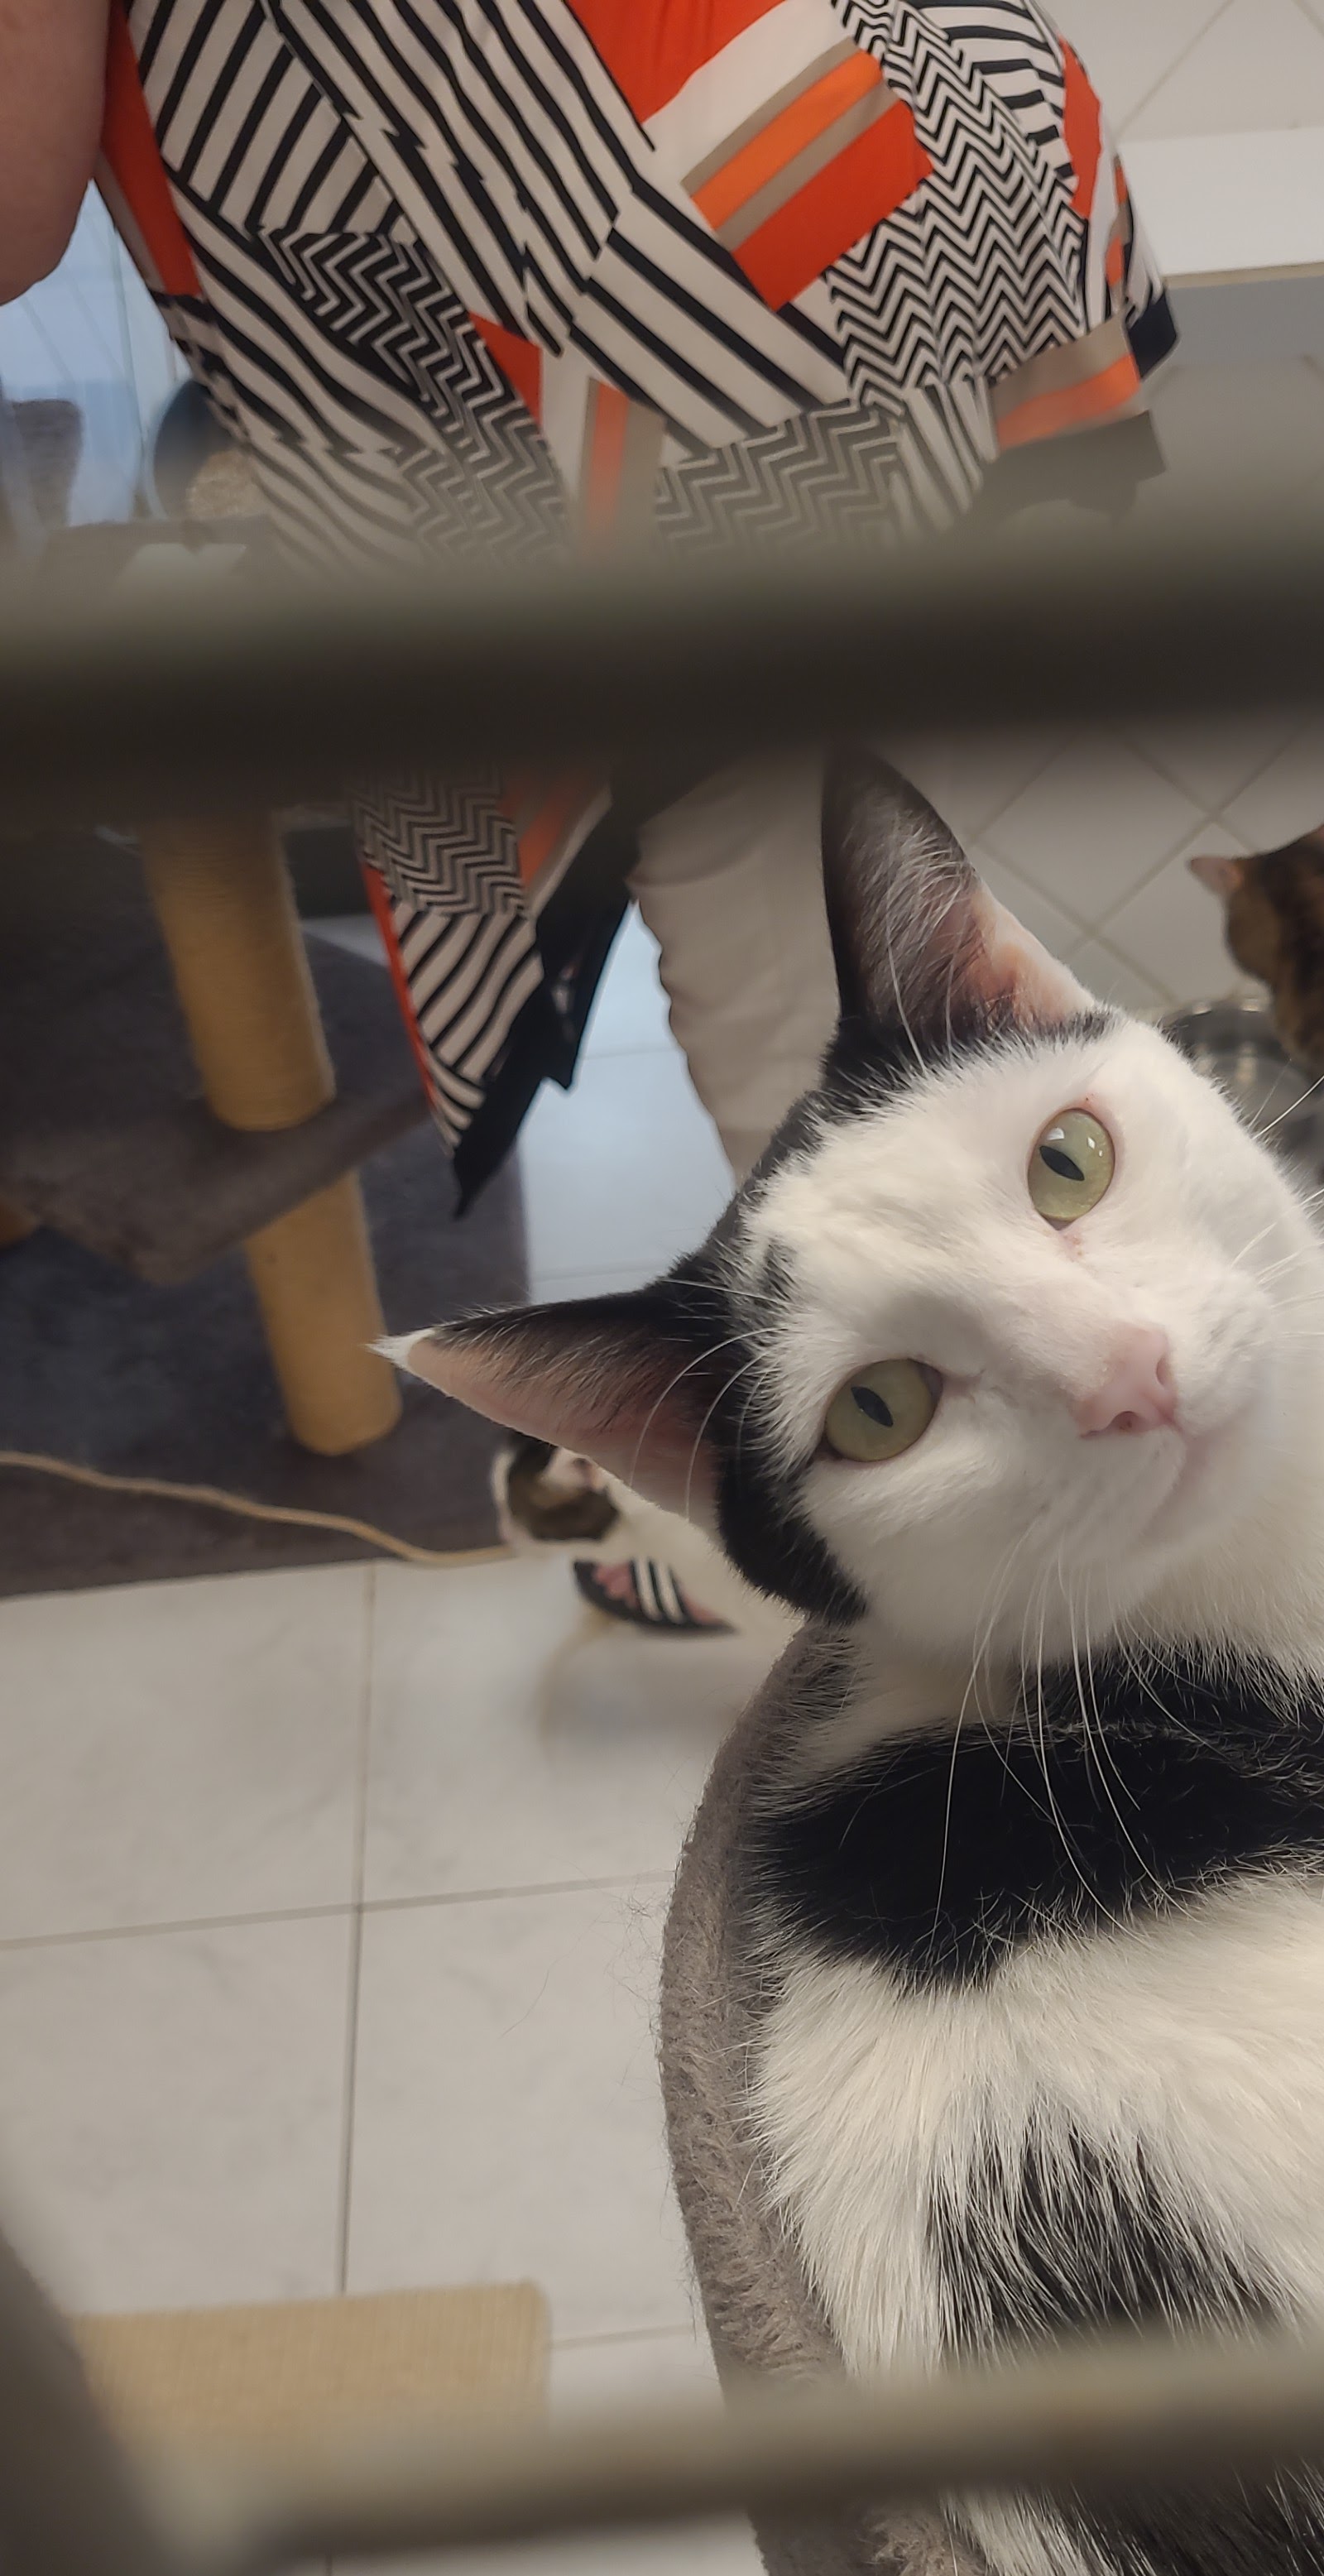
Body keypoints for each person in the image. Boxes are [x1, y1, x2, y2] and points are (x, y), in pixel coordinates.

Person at [2, 0, 1173, 1615]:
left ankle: (975, 1601)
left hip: (672, 287)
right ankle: (957, 1523)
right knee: (877, 929)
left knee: (807, 1030)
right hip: (880, 121)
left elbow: (11, 199)